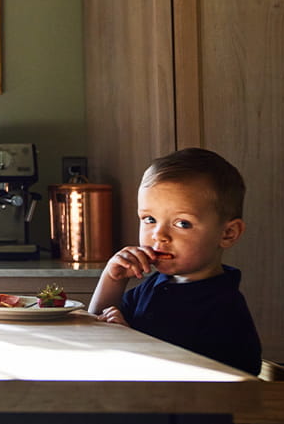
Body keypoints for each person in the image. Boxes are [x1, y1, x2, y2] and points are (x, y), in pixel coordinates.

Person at [89, 148, 261, 376]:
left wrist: (131, 342)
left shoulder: (223, 307)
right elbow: (96, 329)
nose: (159, 235)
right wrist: (112, 280)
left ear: (228, 233)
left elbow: (220, 384)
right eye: (149, 219)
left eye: (182, 223)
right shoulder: (153, 287)